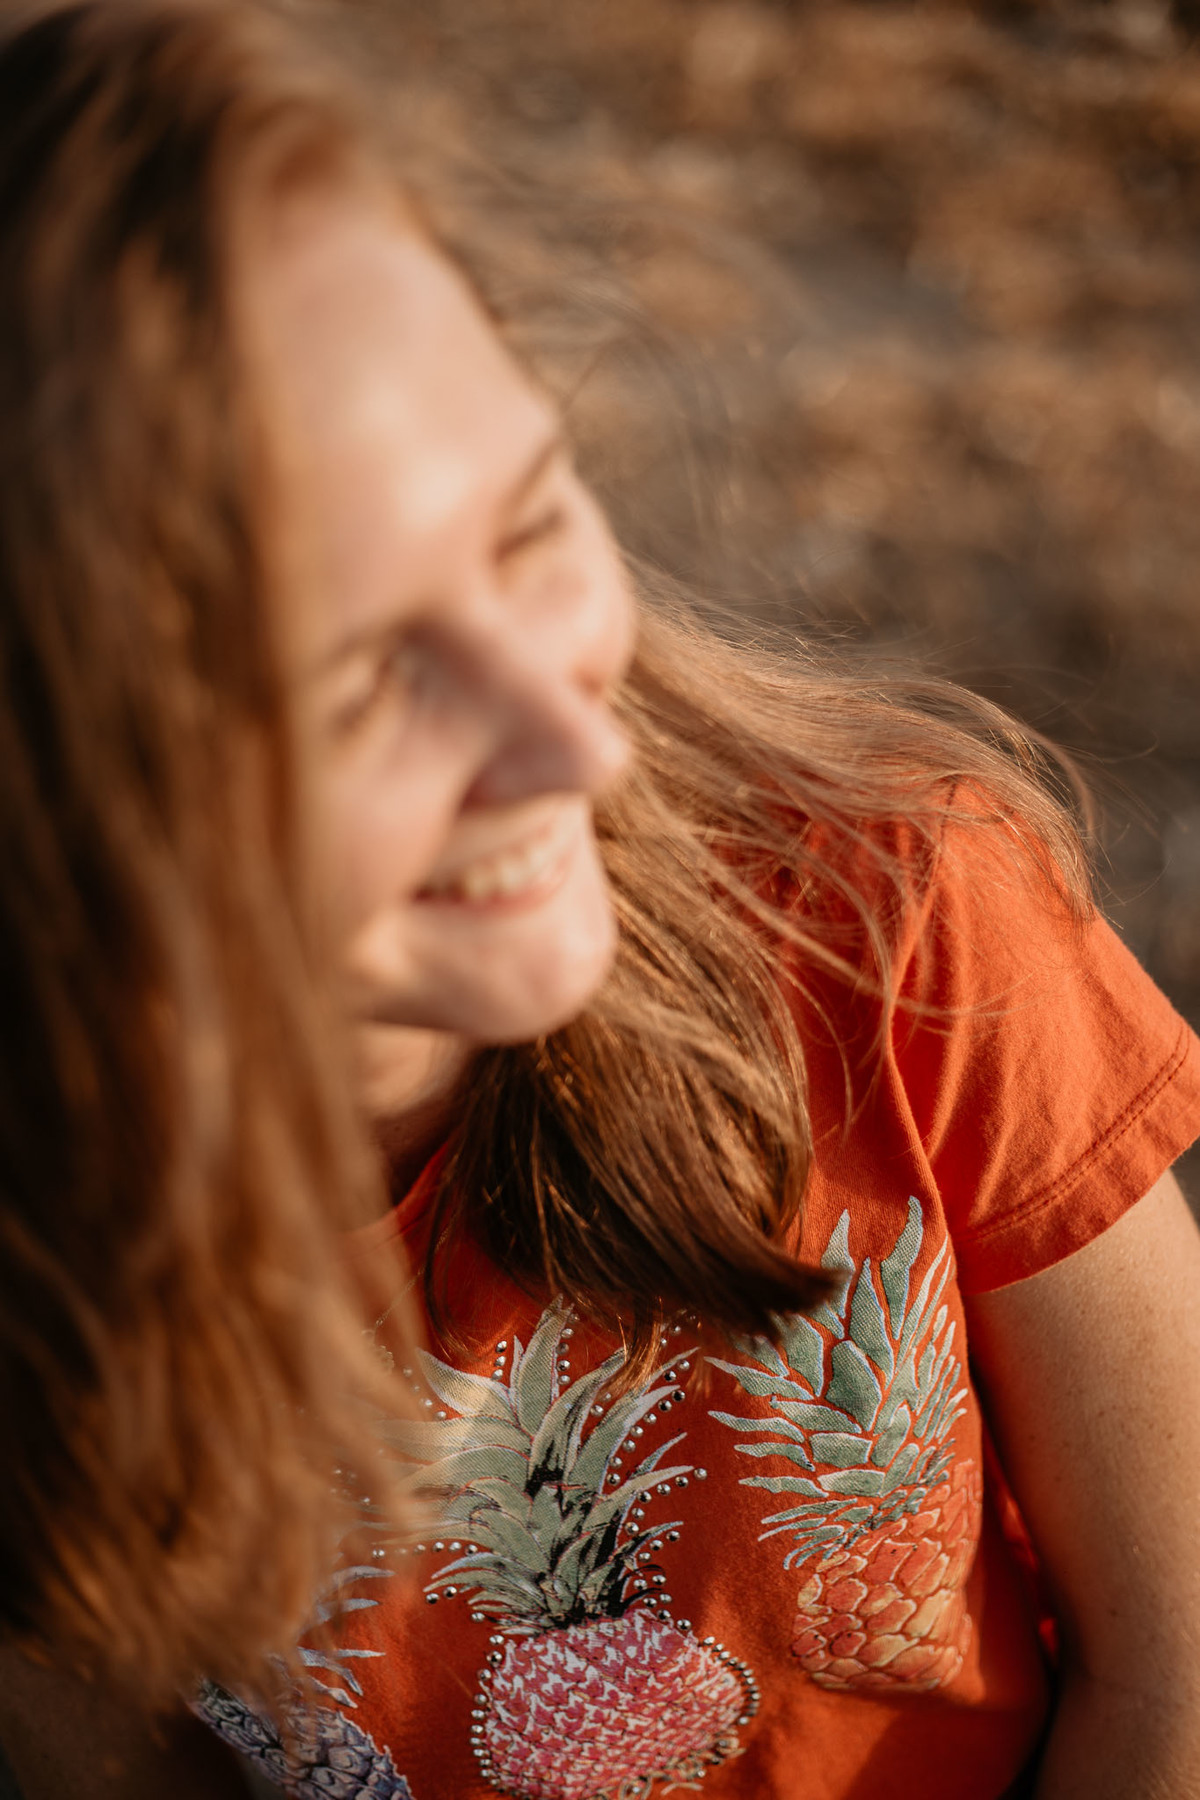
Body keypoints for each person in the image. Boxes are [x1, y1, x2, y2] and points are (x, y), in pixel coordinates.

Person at [1, 3, 1198, 1798]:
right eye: (357, 683)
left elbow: (1178, 1670)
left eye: (527, 525)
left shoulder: (908, 925)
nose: (571, 732)